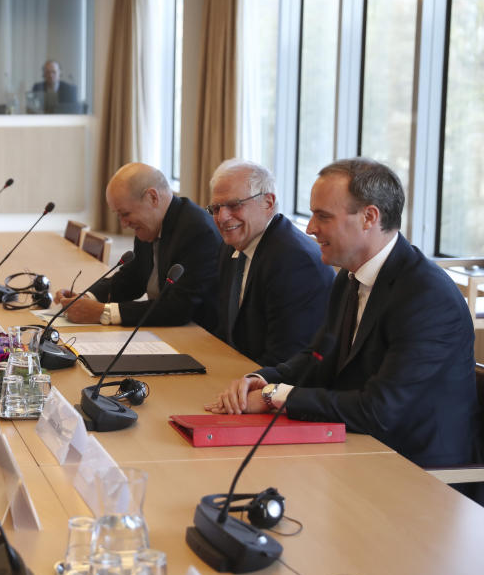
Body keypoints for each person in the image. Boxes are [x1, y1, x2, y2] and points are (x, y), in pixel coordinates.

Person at [205, 157, 479, 468]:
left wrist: (275, 396)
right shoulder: (349, 277)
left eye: (322, 217)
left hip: (419, 472)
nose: (309, 228)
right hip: (359, 447)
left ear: (368, 218)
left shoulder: (426, 296)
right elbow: (316, 359)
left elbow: (378, 411)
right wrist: (258, 380)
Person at [55, 162, 221, 330]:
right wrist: (87, 298)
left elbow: (179, 307)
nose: (124, 224)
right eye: (118, 215)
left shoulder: (197, 231)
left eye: (125, 214)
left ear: (152, 197)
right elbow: (132, 279)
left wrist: (103, 312)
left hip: (200, 335)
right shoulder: (150, 225)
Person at [208, 159, 334, 366]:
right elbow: (226, 329)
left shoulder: (295, 262)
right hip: (237, 369)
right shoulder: (233, 244)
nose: (222, 217)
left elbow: (287, 357)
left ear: (267, 203)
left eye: (233, 205)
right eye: (215, 208)